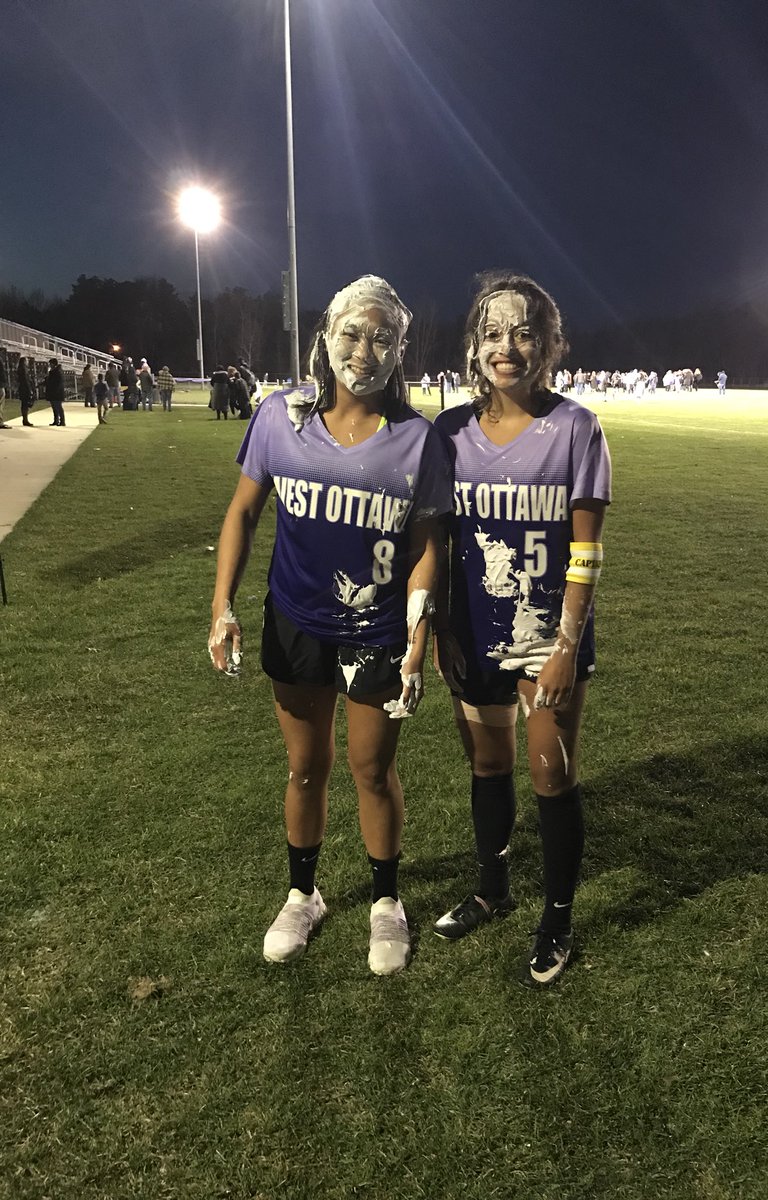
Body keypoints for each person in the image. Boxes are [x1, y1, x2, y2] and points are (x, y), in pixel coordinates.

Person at [208, 275, 452, 976]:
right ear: (327, 335)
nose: (365, 349)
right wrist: (221, 603)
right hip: (297, 621)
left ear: (399, 349)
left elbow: (426, 544)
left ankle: (385, 901)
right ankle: (303, 893)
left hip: (377, 629)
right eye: (352, 332)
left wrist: (418, 632)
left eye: (382, 337)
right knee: (305, 767)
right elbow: (243, 512)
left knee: (372, 770)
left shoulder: (417, 440)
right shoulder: (281, 417)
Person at [431, 271, 612, 988]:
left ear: (550, 343)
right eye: (492, 331)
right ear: (474, 345)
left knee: (550, 773)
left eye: (524, 330)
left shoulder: (575, 428)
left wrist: (566, 645)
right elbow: (439, 544)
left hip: (548, 638)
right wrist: (442, 626)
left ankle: (557, 917)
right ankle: (492, 889)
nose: (506, 346)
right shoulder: (448, 432)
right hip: (475, 630)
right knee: (486, 765)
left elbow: (587, 552)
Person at [45, 358, 66, 426]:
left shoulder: (57, 372)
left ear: (53, 364)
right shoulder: (54, 371)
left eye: (50, 364)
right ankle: (56, 420)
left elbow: (57, 383)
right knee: (55, 407)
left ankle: (62, 421)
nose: (49, 365)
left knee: (58, 407)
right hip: (54, 392)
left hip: (56, 392)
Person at [17, 356, 35, 426]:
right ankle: (25, 420)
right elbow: (26, 381)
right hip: (25, 389)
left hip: (22, 388)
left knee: (24, 404)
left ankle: (25, 419)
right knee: (25, 404)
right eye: (26, 361)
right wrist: (30, 389)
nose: (27, 362)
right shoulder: (24, 370)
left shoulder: (20, 369)